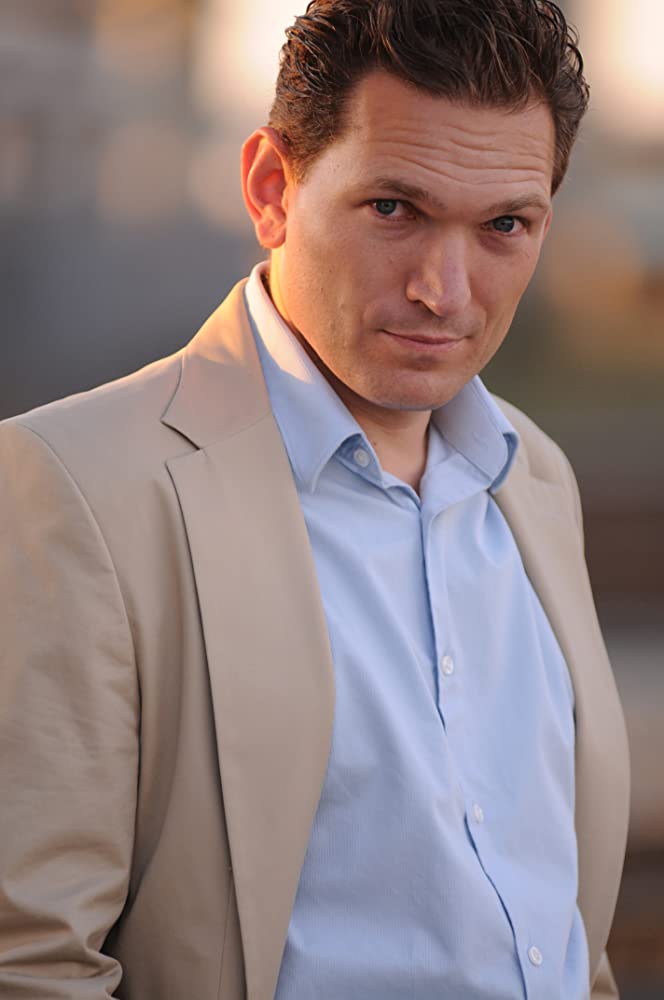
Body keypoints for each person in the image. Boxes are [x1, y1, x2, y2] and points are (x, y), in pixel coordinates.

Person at [0, 0, 629, 997]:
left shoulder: (533, 474)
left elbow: (558, 919)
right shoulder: (74, 486)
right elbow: (30, 963)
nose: (444, 290)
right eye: (394, 209)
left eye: (504, 225)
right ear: (271, 189)